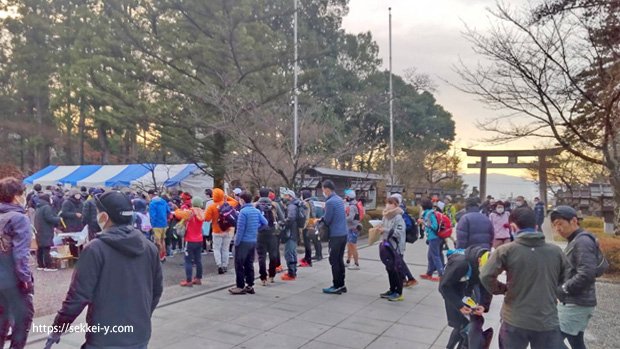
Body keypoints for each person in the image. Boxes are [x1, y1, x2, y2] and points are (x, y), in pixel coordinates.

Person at [45, 191, 163, 349]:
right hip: (139, 334)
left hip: (104, 338)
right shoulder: (149, 247)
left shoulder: (95, 249)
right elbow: (156, 291)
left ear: (104, 217)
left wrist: (57, 328)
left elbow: (77, 296)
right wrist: (141, 316)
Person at [480, 207, 567, 349]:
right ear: (536, 227)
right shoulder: (556, 252)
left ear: (513, 227)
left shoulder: (506, 250)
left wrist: (503, 289)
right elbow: (565, 278)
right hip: (546, 319)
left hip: (514, 319)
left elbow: (485, 275)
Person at [550, 206, 598, 349]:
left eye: (560, 223)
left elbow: (587, 273)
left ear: (574, 221)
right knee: (576, 341)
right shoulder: (576, 240)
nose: (557, 228)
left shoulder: (582, 241)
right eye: (554, 225)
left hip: (576, 303)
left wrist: (563, 289)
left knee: (551, 342)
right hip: (577, 301)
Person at [0, 177, 34, 349]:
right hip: (13, 280)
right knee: (23, 318)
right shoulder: (19, 218)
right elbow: (21, 255)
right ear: (16, 195)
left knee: (2, 319)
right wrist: (26, 279)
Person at [440, 246, 493, 349]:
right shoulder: (461, 264)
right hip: (451, 292)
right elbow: (444, 287)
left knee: (468, 323)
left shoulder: (486, 263)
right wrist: (459, 305)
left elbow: (485, 285)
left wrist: (483, 304)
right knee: (460, 324)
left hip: (466, 290)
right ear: (479, 261)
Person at [229, 192, 267, 295]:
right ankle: (250, 285)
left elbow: (240, 229)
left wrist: (236, 242)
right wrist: (256, 229)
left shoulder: (243, 212)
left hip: (243, 242)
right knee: (249, 264)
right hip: (253, 241)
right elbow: (265, 223)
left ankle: (240, 286)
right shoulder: (256, 211)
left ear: (242, 200)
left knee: (239, 264)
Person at [321, 180, 348, 294]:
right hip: (343, 233)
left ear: (327, 189)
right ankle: (342, 284)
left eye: (323, 189)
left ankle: (336, 285)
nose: (323, 192)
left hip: (335, 235)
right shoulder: (339, 200)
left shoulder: (330, 202)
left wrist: (322, 216)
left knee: (334, 260)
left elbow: (328, 219)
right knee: (339, 259)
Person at [377, 197, 406, 301]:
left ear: (396, 205)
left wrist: (384, 230)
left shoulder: (398, 217)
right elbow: (383, 227)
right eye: (387, 203)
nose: (388, 205)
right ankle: (392, 289)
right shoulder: (385, 216)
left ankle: (399, 292)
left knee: (396, 269)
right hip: (386, 245)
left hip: (396, 247)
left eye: (391, 203)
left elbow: (399, 232)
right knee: (389, 268)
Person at [204, 188, 238, 274]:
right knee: (225, 249)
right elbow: (236, 202)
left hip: (216, 230)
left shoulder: (211, 206)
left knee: (216, 249)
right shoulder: (228, 204)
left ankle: (219, 265)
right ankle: (225, 265)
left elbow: (207, 219)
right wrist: (226, 197)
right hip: (227, 229)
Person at [255, 188, 284, 285]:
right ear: (268, 194)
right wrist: (278, 225)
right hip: (272, 233)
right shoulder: (274, 205)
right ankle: (271, 275)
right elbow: (282, 218)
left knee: (261, 256)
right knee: (273, 254)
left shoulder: (255, 205)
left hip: (260, 233)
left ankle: (263, 278)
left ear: (259, 194)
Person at [174, 197, 205, 287]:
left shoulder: (189, 212)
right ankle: (198, 278)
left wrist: (177, 209)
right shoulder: (202, 213)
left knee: (188, 261)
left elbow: (178, 214)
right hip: (199, 239)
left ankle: (188, 280)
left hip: (190, 240)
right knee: (198, 260)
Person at [390, 193, 418, 288]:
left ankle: (409, 278)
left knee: (399, 260)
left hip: (398, 240)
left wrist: (397, 230)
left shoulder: (401, 212)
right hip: (396, 239)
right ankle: (404, 279)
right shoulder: (397, 210)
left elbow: (407, 225)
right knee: (398, 260)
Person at [34, 194, 61, 271]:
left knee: (40, 248)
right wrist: (58, 219)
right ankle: (48, 266)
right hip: (46, 230)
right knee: (46, 247)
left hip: (39, 230)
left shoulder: (39, 207)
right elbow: (49, 218)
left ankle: (40, 265)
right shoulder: (47, 207)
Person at [419, 198, 443, 281]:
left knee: (436, 256)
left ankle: (441, 274)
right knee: (430, 255)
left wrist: (423, 223)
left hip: (434, 237)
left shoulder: (429, 214)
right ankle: (429, 273)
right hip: (433, 237)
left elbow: (434, 226)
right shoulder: (428, 213)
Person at [281, 189, 301, 281]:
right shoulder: (296, 205)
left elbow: (291, 218)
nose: (284, 197)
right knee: (292, 252)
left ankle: (291, 273)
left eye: (286, 196)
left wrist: (283, 222)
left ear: (290, 197)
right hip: (294, 231)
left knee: (288, 253)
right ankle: (293, 271)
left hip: (290, 232)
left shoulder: (291, 206)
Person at [148, 189, 171, 262]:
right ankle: (163, 255)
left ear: (151, 195)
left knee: (157, 242)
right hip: (164, 224)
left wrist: (152, 224)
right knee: (162, 240)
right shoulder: (163, 201)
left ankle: (160, 256)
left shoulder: (152, 203)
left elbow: (152, 215)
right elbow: (168, 211)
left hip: (156, 225)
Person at [344, 189, 360, 270]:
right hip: (352, 228)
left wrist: (343, 217)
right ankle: (348, 261)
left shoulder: (352, 206)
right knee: (349, 245)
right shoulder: (353, 204)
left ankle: (356, 264)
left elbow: (350, 218)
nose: (345, 197)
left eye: (346, 196)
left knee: (352, 246)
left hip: (352, 228)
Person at [299, 190, 314, 267]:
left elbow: (305, 216)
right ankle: (306, 258)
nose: (301, 196)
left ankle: (308, 260)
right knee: (307, 242)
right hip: (311, 224)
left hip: (307, 225)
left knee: (307, 243)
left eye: (302, 194)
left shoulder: (306, 204)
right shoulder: (311, 202)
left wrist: (303, 226)